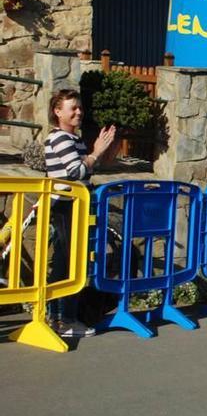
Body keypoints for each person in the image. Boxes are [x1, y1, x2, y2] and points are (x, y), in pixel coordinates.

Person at [44, 89, 116, 338]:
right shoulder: (61, 138)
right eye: (72, 108)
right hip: (65, 204)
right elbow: (76, 172)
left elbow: (84, 169)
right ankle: (63, 319)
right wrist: (95, 152)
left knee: (69, 261)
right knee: (68, 261)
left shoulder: (73, 139)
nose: (78, 112)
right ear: (57, 111)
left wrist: (97, 152)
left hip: (75, 204)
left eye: (79, 107)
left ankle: (58, 317)